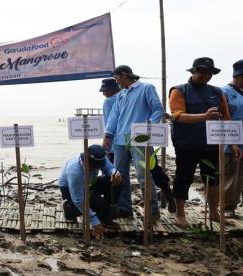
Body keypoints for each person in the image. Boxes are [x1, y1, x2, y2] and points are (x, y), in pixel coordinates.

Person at [169, 57, 241, 227]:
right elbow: (177, 116)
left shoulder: (217, 92)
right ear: (193, 71)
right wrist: (204, 116)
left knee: (213, 179)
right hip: (186, 145)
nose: (206, 75)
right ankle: (180, 214)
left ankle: (214, 213)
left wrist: (232, 144)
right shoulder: (179, 90)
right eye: (202, 72)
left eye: (209, 73)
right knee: (183, 178)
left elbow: (226, 119)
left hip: (212, 145)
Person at [102, 65, 163, 222]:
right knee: (119, 175)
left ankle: (152, 211)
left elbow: (158, 109)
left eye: (116, 79)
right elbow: (113, 117)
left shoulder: (146, 88)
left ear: (123, 75)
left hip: (140, 138)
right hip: (120, 139)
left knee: (144, 175)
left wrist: (150, 124)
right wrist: (108, 135)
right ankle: (124, 207)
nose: (116, 82)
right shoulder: (122, 94)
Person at [58, 145, 123, 238]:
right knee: (98, 203)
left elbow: (109, 168)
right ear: (84, 160)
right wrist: (94, 221)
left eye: (96, 167)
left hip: (90, 182)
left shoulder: (100, 156)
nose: (93, 168)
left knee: (117, 182)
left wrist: (115, 173)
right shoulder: (75, 171)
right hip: (68, 188)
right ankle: (69, 208)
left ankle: (105, 217)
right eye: (91, 166)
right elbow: (79, 200)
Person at [221, 59, 243, 217]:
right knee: (231, 175)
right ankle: (228, 208)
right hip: (232, 141)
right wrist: (231, 142)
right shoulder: (224, 92)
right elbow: (222, 119)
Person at [100, 78, 121, 161]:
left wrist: (106, 140)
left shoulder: (108, 101)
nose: (103, 94)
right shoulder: (125, 98)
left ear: (112, 89)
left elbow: (108, 123)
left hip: (114, 140)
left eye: (104, 91)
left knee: (112, 167)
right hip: (125, 138)